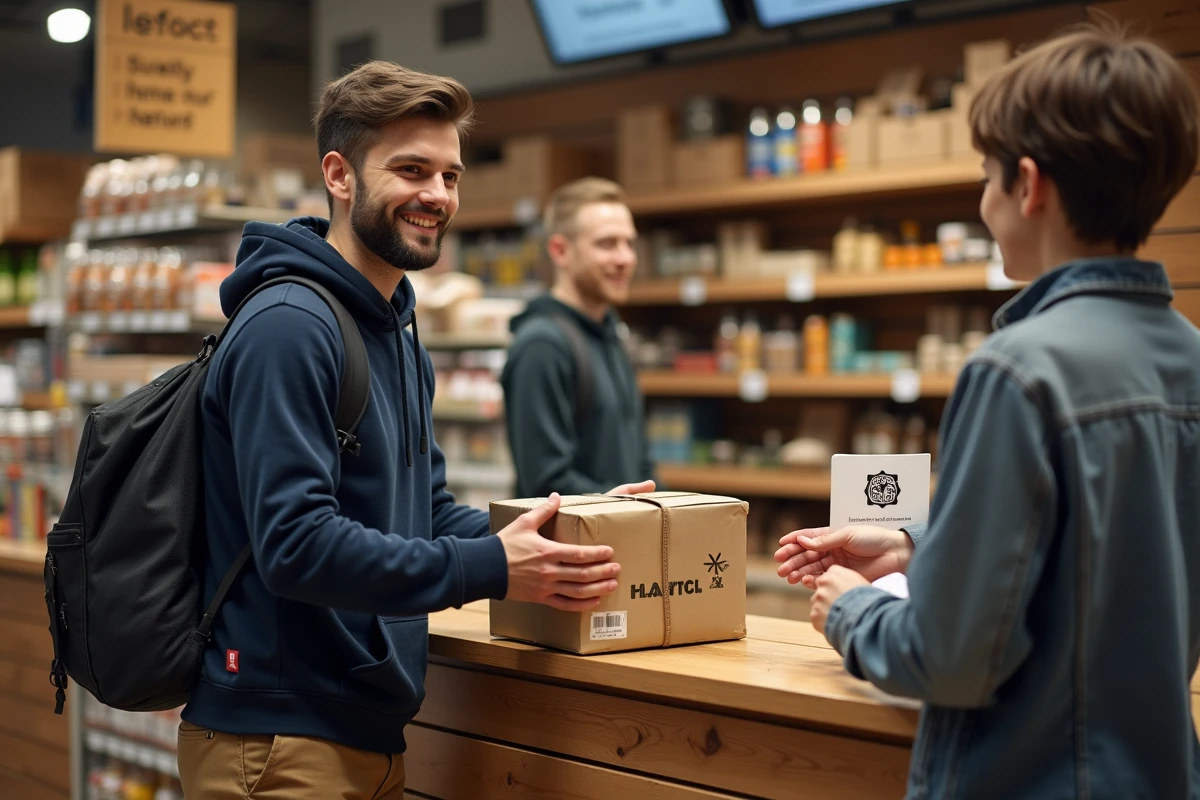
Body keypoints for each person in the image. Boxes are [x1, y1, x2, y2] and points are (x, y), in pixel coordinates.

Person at [176, 62, 652, 799]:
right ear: (339, 175)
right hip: (276, 739)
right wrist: (491, 568)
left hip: (357, 729)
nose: (437, 196)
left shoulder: (395, 329)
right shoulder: (290, 327)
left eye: (450, 176)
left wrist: (563, 524)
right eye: (411, 170)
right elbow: (295, 546)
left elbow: (425, 509)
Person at [775, 23, 1200, 799]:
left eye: (986, 177)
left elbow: (952, 659)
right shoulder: (1190, 358)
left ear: (1028, 186)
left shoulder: (1018, 370)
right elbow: (1104, 562)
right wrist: (914, 544)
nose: (984, 201)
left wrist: (855, 610)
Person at [501, 177, 655, 497]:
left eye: (629, 243)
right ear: (560, 250)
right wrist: (623, 509)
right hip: (571, 544)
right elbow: (545, 482)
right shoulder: (541, 346)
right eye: (607, 244)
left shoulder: (613, 335)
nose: (625, 258)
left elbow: (640, 463)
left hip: (625, 537)